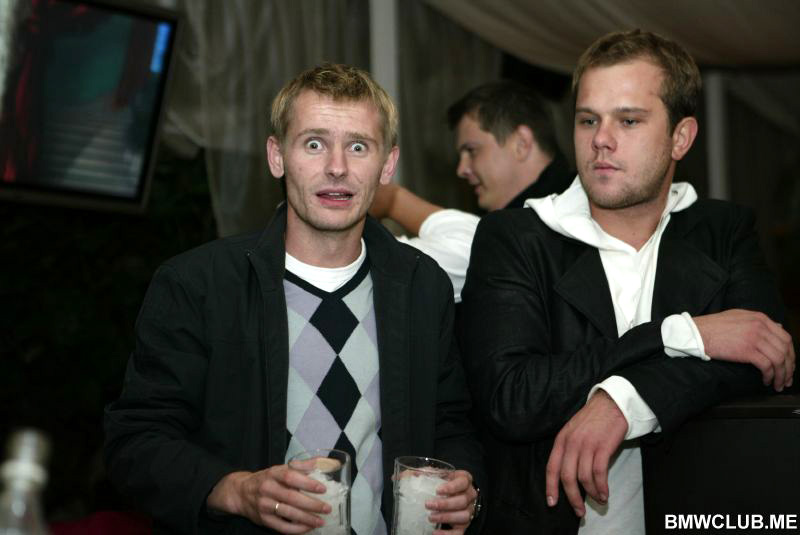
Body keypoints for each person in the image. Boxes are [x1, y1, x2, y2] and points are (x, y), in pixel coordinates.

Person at [104, 63, 484, 535]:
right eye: (314, 144)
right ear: (277, 156)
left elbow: (451, 424)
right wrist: (235, 490)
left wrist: (464, 486)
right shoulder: (198, 285)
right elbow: (136, 441)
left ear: (387, 164)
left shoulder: (423, 287)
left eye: (358, 146)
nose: (337, 167)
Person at [459, 29, 795, 534]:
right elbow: (513, 397)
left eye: (629, 120)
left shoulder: (723, 232)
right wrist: (680, 334)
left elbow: (765, 359)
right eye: (588, 119)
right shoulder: (517, 236)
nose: (601, 139)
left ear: (681, 137)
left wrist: (624, 399)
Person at [369, 81, 573, 302]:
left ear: (521, 144)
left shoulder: (569, 219)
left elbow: (467, 245)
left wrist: (393, 200)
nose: (461, 169)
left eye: (472, 150)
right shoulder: (534, 219)